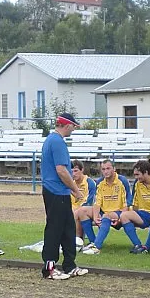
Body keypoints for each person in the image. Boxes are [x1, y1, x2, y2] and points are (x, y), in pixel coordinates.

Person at [40, 112, 88, 280]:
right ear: (67, 125)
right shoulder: (57, 142)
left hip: (59, 192)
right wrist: (75, 189)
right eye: (73, 127)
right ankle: (49, 268)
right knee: (55, 229)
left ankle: (69, 265)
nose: (73, 130)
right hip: (56, 191)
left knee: (68, 229)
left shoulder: (51, 140)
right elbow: (61, 170)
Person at [82, 159, 132, 255]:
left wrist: (122, 217)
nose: (106, 171)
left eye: (108, 168)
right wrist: (96, 217)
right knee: (82, 212)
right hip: (104, 211)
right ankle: (93, 242)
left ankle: (96, 247)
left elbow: (126, 202)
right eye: (103, 169)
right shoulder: (100, 182)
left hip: (119, 212)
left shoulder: (122, 181)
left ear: (114, 169)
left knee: (107, 216)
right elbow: (97, 202)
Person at [71, 159, 97, 245]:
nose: (73, 174)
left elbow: (90, 202)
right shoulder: (71, 184)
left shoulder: (89, 183)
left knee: (79, 212)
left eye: (75, 171)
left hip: (89, 210)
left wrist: (76, 210)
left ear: (82, 170)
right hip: (74, 210)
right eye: (71, 171)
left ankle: (79, 240)